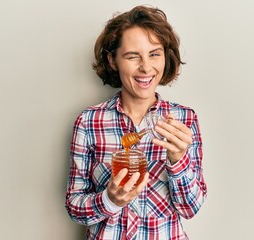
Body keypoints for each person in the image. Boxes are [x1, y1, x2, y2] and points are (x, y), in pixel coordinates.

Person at [65, 5, 207, 240]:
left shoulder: (185, 120)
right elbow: (74, 207)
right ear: (113, 60)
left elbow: (190, 209)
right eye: (132, 56)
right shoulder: (88, 122)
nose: (146, 67)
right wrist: (109, 200)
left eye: (154, 54)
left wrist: (178, 159)